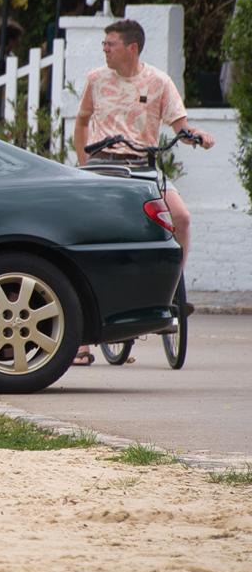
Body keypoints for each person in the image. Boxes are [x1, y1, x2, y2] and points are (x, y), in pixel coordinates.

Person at [71, 19, 215, 365]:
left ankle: (170, 293)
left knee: (181, 218)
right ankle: (80, 340)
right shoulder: (96, 79)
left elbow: (180, 126)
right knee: (85, 237)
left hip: (143, 166)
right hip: (103, 166)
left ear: (131, 48)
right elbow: (82, 121)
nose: (105, 49)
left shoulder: (159, 82)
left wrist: (197, 137)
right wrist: (83, 163)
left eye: (111, 44)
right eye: (104, 44)